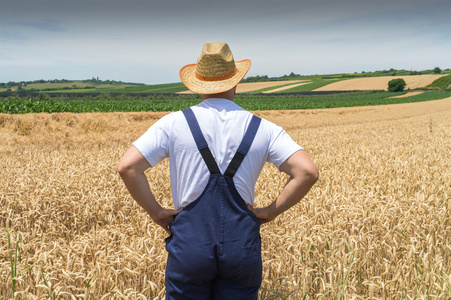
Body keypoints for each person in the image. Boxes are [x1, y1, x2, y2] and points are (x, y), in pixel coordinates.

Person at [118, 42, 318, 300]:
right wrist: (270, 211)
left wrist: (156, 212)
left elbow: (127, 166)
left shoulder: (174, 123)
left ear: (197, 84)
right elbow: (307, 172)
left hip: (190, 245)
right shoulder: (263, 128)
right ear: (236, 82)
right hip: (241, 246)